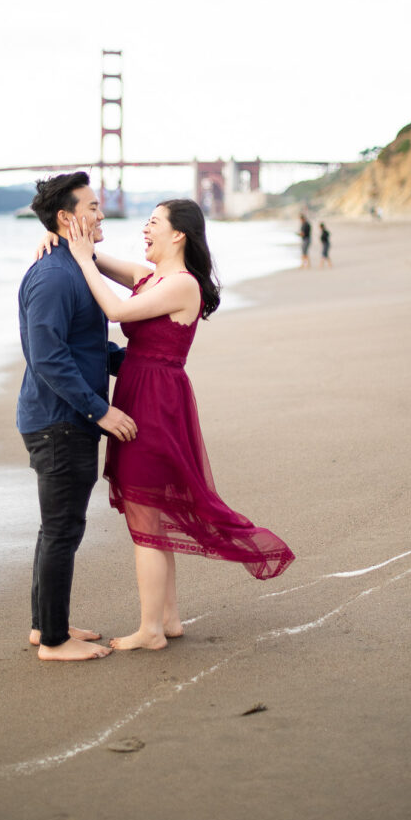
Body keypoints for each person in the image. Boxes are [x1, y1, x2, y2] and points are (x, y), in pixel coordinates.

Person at [62, 199, 295, 651]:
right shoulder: (153, 278)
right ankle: (166, 619)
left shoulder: (181, 285)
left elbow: (114, 310)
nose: (144, 229)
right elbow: (101, 263)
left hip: (155, 404)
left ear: (178, 235)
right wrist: (70, 244)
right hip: (146, 393)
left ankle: (150, 630)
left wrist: (79, 260)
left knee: (145, 513)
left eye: (153, 223)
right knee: (149, 512)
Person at [17, 172, 138, 661]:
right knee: (63, 529)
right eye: (91, 206)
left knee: (57, 528)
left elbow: (83, 345)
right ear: (67, 219)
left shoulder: (73, 265)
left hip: (66, 417)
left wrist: (132, 363)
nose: (101, 212)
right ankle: (53, 641)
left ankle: (45, 625)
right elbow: (46, 356)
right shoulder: (53, 275)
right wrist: (101, 410)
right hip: (59, 421)